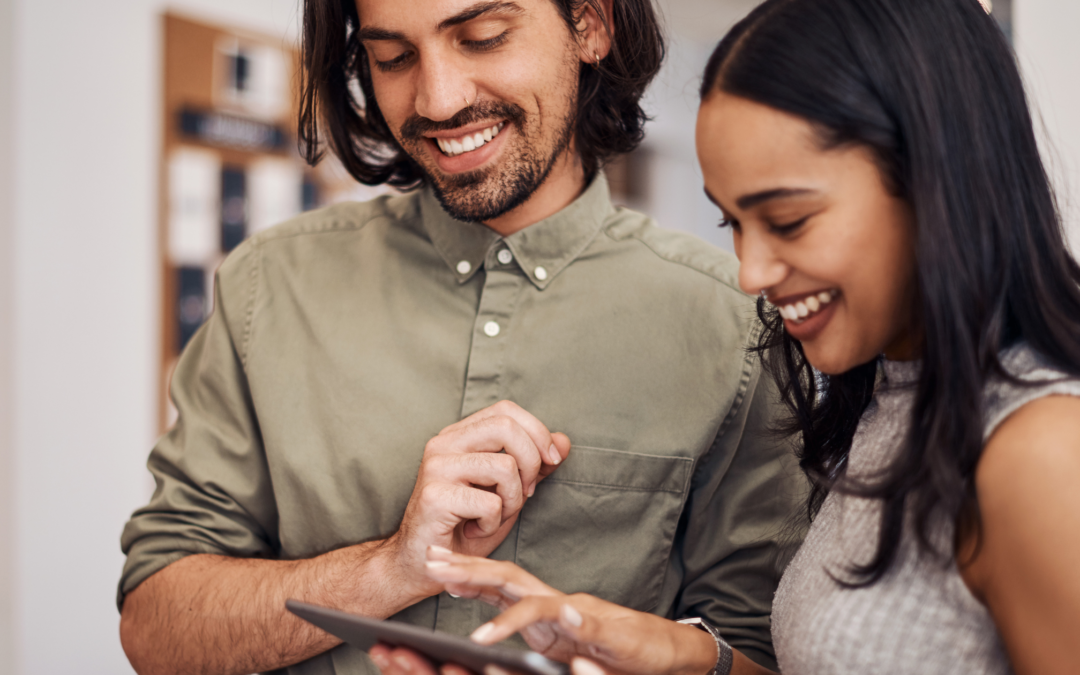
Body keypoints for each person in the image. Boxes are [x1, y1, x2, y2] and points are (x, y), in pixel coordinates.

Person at [373, 0, 1080, 674]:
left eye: (790, 220)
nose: (751, 272)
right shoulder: (889, 402)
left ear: (937, 178)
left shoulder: (1040, 452)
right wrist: (667, 652)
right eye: (734, 223)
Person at [116, 0, 806, 674]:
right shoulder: (268, 285)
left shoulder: (736, 322)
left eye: (483, 37)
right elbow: (154, 627)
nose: (439, 100)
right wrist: (388, 568)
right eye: (393, 57)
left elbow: (761, 652)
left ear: (590, 23)